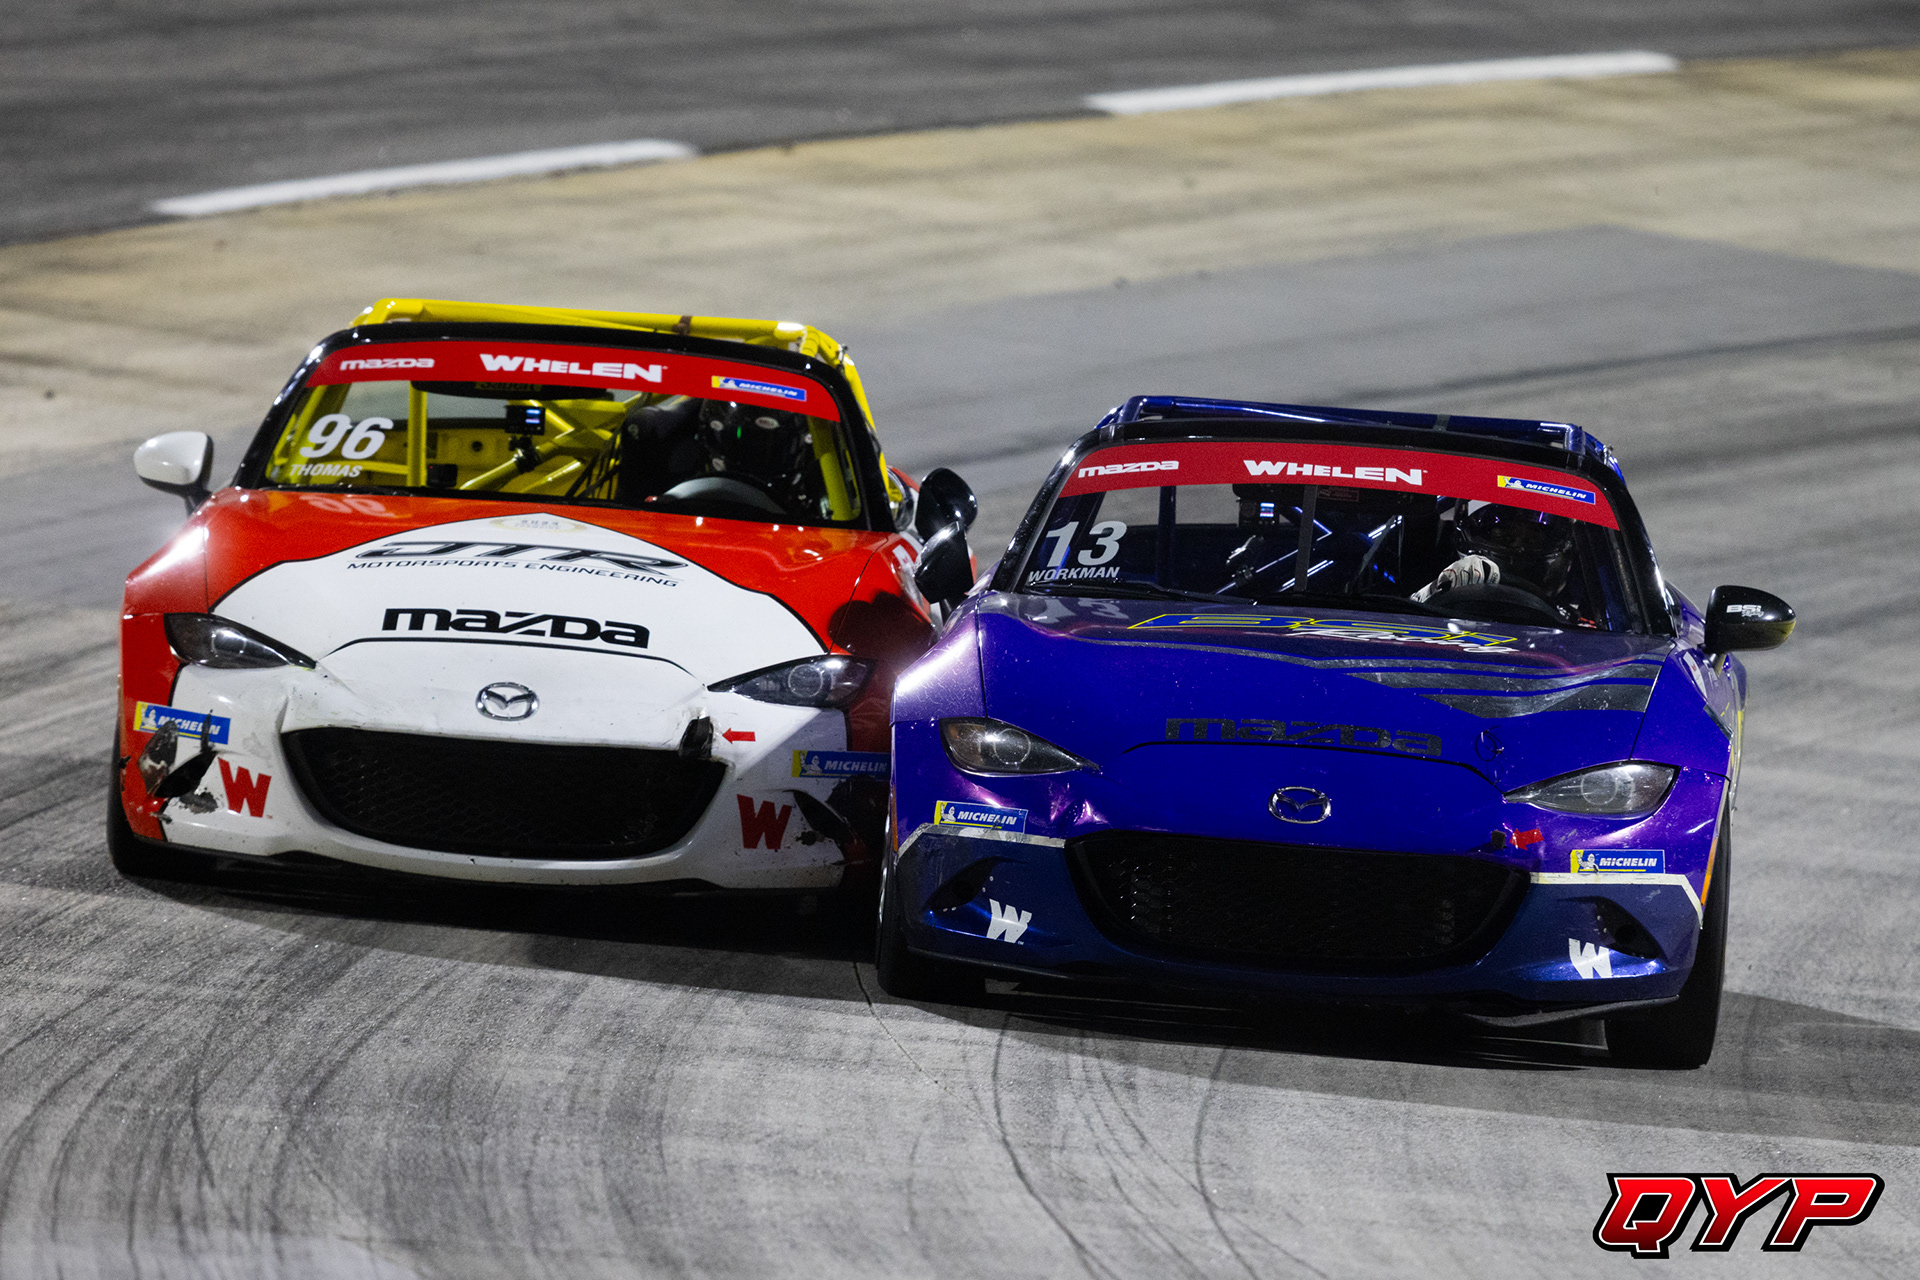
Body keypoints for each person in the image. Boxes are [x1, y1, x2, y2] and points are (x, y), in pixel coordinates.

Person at [1413, 501, 1574, 608]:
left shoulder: (1575, 620)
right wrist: (1433, 591)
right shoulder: (1431, 582)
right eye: (1504, 538)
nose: (1519, 548)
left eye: (1532, 541)